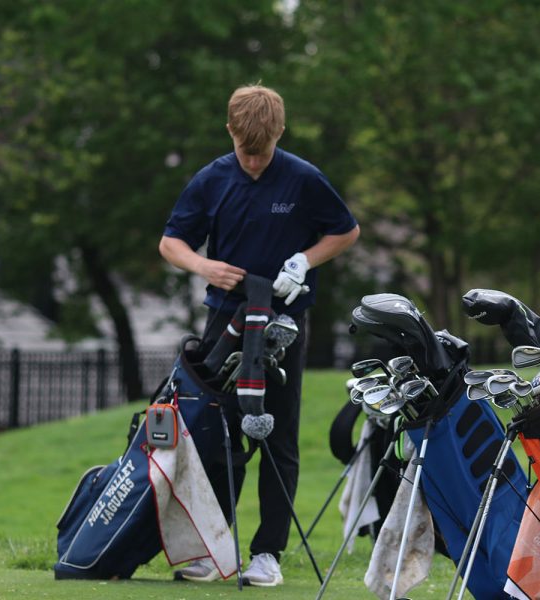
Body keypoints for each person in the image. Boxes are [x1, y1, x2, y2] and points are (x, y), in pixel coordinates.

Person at [158, 84, 360, 586]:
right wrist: (204, 265)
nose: (253, 163)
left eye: (262, 152)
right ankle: (213, 546)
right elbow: (171, 242)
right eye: (246, 152)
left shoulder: (303, 179)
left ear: (280, 133)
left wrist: (305, 260)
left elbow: (346, 231)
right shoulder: (212, 179)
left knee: (277, 434)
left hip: (283, 325)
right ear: (230, 131)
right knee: (217, 433)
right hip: (223, 320)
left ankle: (267, 554)